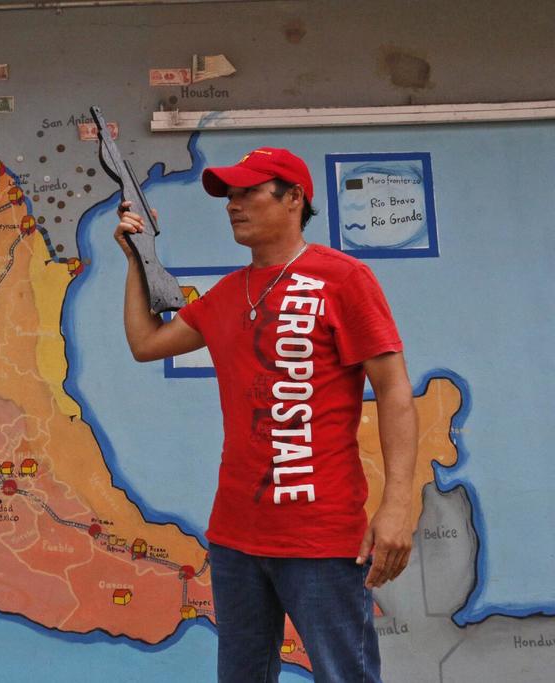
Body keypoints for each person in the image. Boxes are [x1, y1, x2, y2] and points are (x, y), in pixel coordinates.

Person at [114, 147, 417, 682]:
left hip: (321, 538)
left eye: (248, 192)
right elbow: (146, 342)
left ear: (294, 198)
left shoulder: (344, 279)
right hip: (235, 537)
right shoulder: (227, 293)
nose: (233, 205)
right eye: (229, 195)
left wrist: (396, 505)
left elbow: (393, 391)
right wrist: (137, 257)